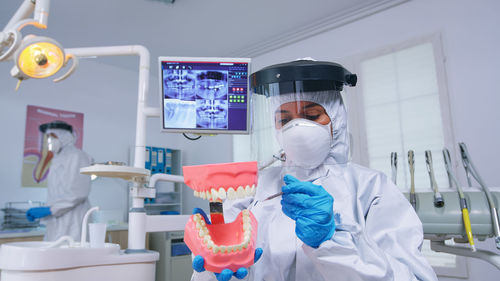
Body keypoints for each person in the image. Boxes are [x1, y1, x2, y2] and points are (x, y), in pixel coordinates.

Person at [191, 60, 438, 281]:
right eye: (285, 120)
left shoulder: (371, 188)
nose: (298, 128)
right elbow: (231, 270)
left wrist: (333, 243)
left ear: (336, 120)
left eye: (311, 115)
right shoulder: (254, 190)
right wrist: (214, 268)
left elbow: (412, 277)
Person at [26, 120, 93, 241]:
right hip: (56, 220)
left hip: (73, 219)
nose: (50, 141)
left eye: (53, 137)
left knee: (71, 256)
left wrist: (50, 209)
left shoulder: (77, 156)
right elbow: (57, 192)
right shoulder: (57, 160)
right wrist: (49, 210)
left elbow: (78, 193)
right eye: (48, 138)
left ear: (64, 136)